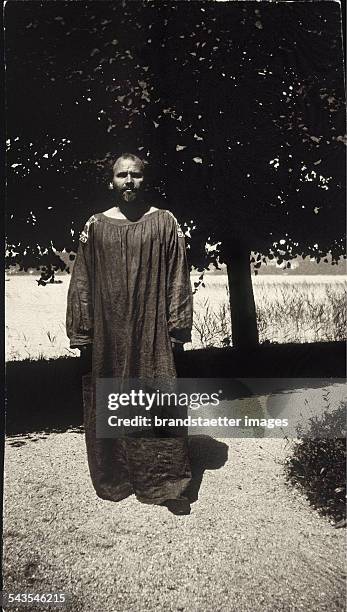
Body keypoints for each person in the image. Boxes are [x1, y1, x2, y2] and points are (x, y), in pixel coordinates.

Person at [66, 153, 193, 514]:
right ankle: (117, 478)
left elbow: (177, 276)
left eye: (136, 175)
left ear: (144, 179)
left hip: (151, 329)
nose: (129, 181)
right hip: (109, 332)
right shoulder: (95, 225)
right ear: (112, 182)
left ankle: (166, 484)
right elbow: (82, 280)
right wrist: (83, 331)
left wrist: (177, 325)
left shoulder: (165, 223)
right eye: (122, 175)